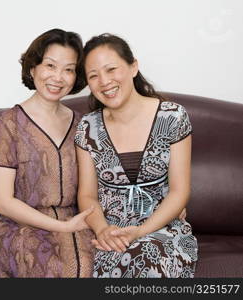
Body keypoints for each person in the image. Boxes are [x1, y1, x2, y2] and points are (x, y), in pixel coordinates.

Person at [0, 28, 95, 278]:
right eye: (50, 65)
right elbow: (2, 201)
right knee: (61, 270)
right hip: (20, 226)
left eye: (68, 69)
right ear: (33, 68)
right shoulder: (8, 124)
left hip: (76, 222)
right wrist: (60, 226)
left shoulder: (83, 124)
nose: (58, 77)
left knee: (99, 264)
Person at [75, 33, 198, 278]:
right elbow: (87, 195)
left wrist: (138, 232)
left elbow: (179, 192)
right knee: (105, 260)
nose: (104, 81)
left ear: (133, 67)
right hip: (110, 231)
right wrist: (103, 231)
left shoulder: (172, 117)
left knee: (143, 255)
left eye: (111, 69)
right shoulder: (88, 128)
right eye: (94, 76)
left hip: (162, 227)